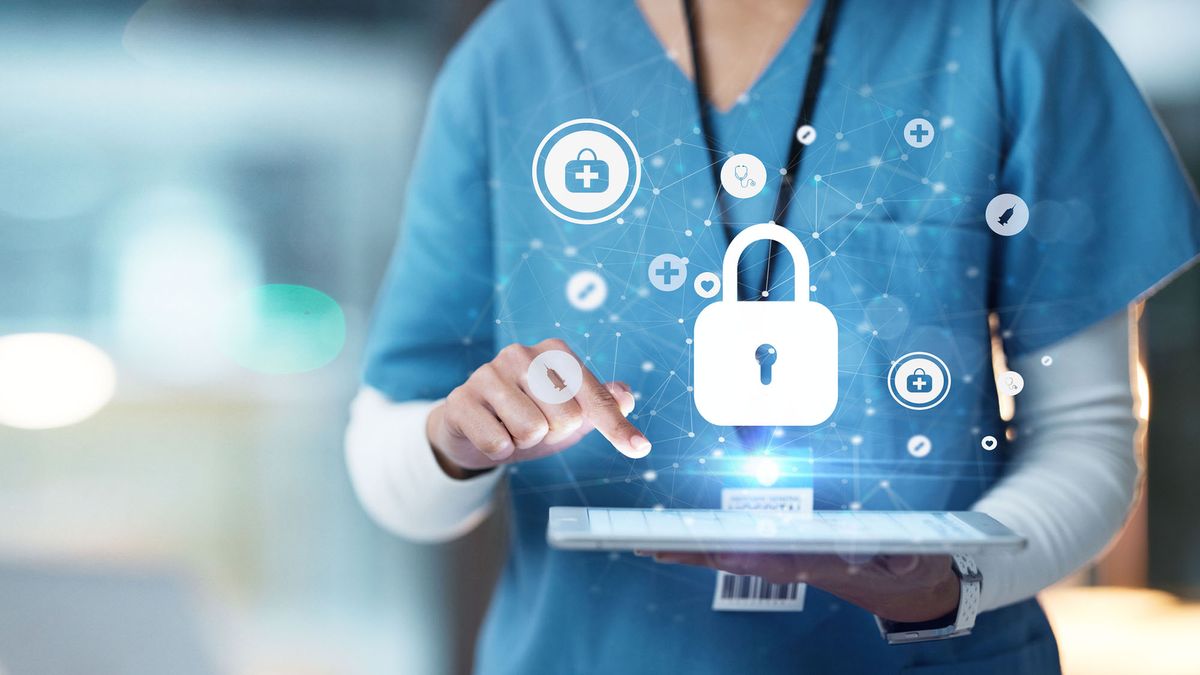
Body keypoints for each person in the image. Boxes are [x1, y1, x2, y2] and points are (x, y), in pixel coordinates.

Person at [345, 0, 1200, 672]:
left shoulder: (1012, 37)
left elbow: (1089, 438)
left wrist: (953, 578)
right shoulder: (516, 59)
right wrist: (455, 443)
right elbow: (396, 470)